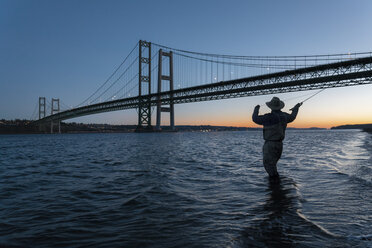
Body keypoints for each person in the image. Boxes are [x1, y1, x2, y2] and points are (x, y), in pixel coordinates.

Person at [252, 97, 302, 181]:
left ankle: (275, 188)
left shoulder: (268, 117)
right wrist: (296, 108)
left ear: (270, 107)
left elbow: (255, 119)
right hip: (279, 145)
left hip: (270, 145)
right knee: (273, 165)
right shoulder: (285, 116)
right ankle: (278, 188)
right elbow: (293, 117)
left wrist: (256, 109)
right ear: (280, 106)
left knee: (269, 167)